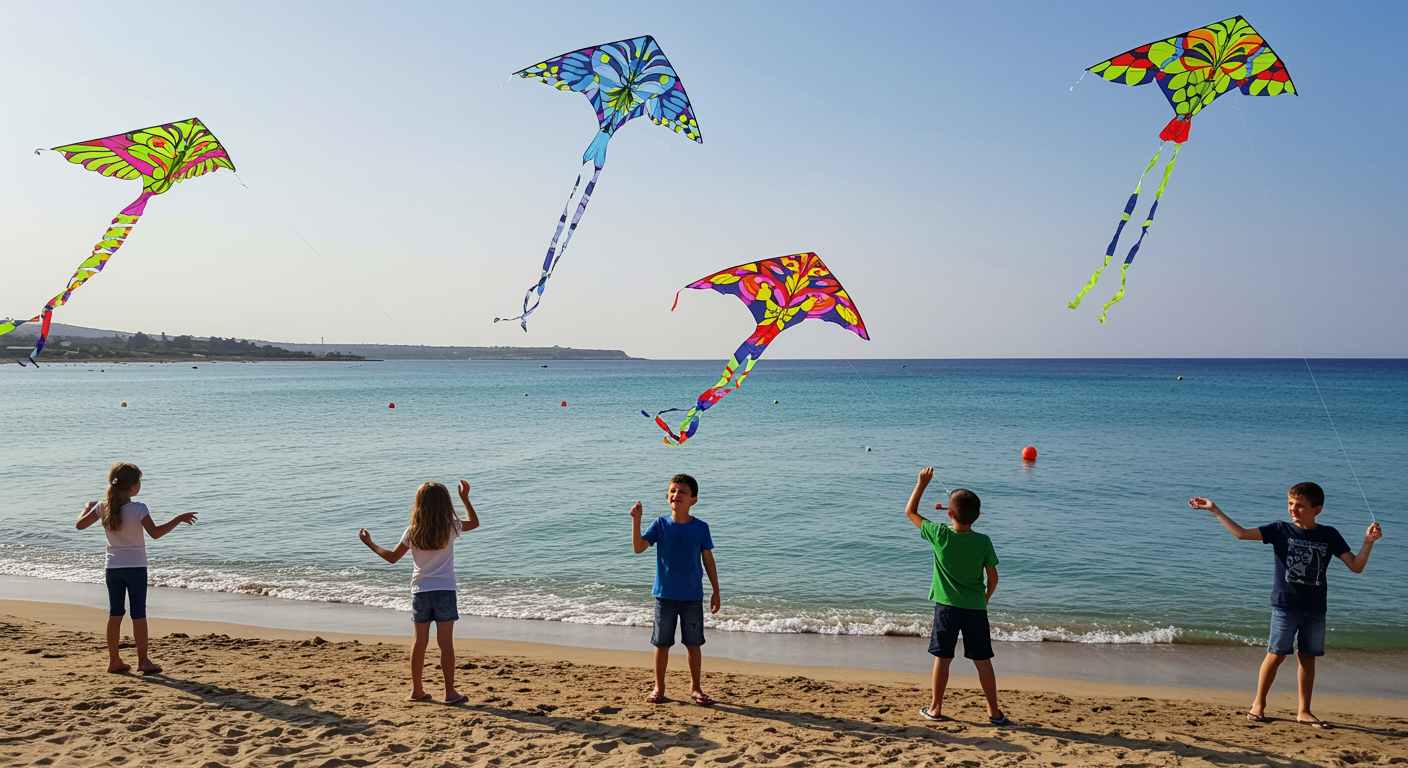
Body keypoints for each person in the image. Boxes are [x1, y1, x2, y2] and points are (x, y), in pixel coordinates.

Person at [1190, 483, 1382, 728]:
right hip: (1285, 606)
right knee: (1276, 655)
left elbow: (1356, 566)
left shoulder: (1329, 535)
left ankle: (1304, 711)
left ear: (1317, 509)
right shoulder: (1280, 529)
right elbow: (1241, 533)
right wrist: (1215, 510)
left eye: (1300, 506)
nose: (1293, 509)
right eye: (1290, 503)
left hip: (1315, 610)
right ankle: (1258, 704)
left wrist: (1368, 542)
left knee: (1308, 658)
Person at [904, 467, 1009, 725]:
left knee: (943, 658)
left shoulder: (940, 534)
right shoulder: (983, 541)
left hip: (947, 609)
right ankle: (994, 712)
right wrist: (985, 597)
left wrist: (921, 483)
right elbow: (993, 578)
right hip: (975, 608)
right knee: (983, 659)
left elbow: (910, 512)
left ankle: (936, 708)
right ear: (978, 516)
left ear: (949, 513)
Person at [360, 480, 480, 704]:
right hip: (445, 591)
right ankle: (450, 693)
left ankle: (417, 691)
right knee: (446, 644)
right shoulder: (451, 526)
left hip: (420, 592)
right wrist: (465, 498)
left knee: (419, 642)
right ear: (445, 504)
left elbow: (392, 558)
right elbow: (474, 522)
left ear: (419, 504)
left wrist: (371, 544)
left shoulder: (413, 531)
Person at [75, 462, 199, 674]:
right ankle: (143, 662)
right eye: (139, 481)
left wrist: (87, 508)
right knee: (138, 614)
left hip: (113, 568)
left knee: (115, 613)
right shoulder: (139, 508)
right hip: (136, 567)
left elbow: (79, 525)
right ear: (133, 487)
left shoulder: (102, 507)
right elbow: (156, 533)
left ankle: (114, 661)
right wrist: (178, 518)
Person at [629, 473, 720, 705]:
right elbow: (639, 548)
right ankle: (659, 688)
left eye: (682, 492)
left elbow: (708, 560)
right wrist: (636, 520)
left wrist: (716, 591)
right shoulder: (660, 524)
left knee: (694, 644)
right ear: (667, 495)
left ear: (694, 499)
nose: (676, 495)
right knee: (662, 644)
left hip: (692, 597)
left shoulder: (701, 528)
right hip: (664, 596)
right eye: (672, 490)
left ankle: (696, 689)